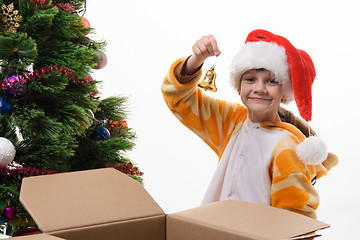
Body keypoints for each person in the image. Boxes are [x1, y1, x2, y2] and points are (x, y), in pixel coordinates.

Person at [161, 29, 338, 219]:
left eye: (271, 81)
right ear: (239, 87)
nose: (259, 88)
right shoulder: (232, 121)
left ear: (285, 92)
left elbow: (295, 220)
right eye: (250, 79)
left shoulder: (286, 147)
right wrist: (196, 59)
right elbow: (178, 98)